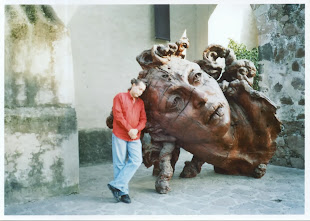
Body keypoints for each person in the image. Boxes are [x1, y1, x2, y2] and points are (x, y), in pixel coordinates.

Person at [107, 78, 147, 203]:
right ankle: (123, 193)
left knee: (136, 160)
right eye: (140, 88)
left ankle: (116, 184)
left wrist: (136, 130)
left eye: (143, 91)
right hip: (120, 134)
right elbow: (118, 115)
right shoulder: (120, 97)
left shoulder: (140, 103)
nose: (141, 92)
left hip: (134, 136)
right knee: (119, 163)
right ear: (133, 85)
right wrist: (129, 129)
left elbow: (143, 119)